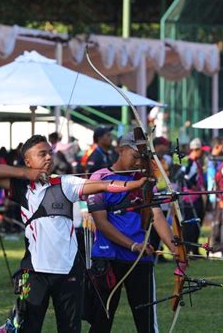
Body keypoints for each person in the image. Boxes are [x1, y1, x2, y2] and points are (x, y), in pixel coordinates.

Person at [0, 135, 149, 333]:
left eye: (50, 153)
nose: (48, 158)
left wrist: (133, 185)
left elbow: (104, 185)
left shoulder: (66, 183)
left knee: (70, 328)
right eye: (42, 154)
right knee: (28, 326)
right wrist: (26, 173)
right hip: (35, 272)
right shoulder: (23, 188)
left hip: (68, 271)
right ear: (28, 161)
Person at [86, 132, 177, 333]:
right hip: (108, 258)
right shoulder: (100, 178)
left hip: (140, 260)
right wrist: (133, 245)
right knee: (102, 320)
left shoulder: (143, 180)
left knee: (146, 322)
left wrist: (175, 249)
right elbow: (101, 222)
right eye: (135, 156)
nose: (138, 162)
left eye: (142, 158)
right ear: (121, 150)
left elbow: (157, 216)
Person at [179, 137, 205, 254]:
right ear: (196, 149)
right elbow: (183, 175)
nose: (202, 152)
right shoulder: (188, 161)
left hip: (197, 196)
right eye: (201, 150)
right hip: (189, 198)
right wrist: (192, 186)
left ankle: (195, 249)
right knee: (190, 224)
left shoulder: (197, 162)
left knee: (198, 222)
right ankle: (188, 249)